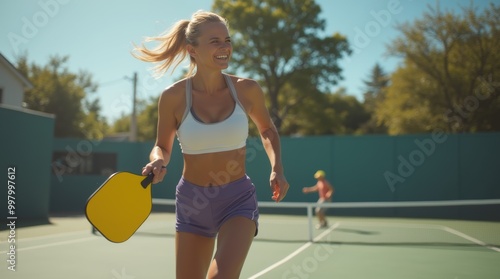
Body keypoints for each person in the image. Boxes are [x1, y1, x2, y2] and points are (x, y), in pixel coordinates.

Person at [133, 10, 289, 279]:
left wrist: (277, 167)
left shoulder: (247, 89)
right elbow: (163, 146)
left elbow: (266, 129)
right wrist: (158, 159)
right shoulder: (172, 97)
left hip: (237, 199)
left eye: (227, 40)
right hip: (192, 203)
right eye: (215, 41)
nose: (225, 47)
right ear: (192, 49)